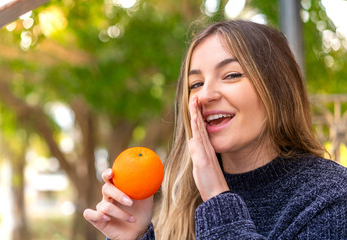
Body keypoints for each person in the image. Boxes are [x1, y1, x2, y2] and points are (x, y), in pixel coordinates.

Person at [83, 20, 347, 239]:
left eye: (231, 75)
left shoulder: (332, 198)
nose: (205, 95)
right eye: (195, 84)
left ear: (278, 90)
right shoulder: (180, 203)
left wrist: (219, 201)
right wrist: (135, 235)